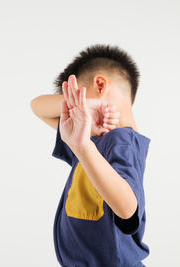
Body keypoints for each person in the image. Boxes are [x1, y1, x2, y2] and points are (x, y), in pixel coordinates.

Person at [30, 44, 150, 266]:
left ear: (100, 85)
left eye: (75, 98)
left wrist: (83, 146)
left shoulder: (122, 141)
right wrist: (86, 106)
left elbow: (127, 210)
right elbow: (37, 106)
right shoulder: (89, 137)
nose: (73, 109)